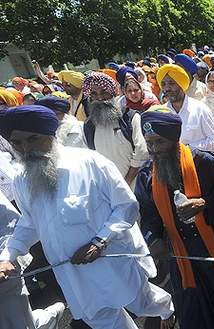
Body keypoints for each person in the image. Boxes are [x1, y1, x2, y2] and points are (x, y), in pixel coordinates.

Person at [0, 105, 176, 329]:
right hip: (72, 274)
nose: (25, 148)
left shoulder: (90, 163)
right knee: (103, 320)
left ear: (50, 134)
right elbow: (29, 223)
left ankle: (166, 309)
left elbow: (126, 206)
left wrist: (100, 241)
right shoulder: (22, 179)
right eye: (17, 143)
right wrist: (8, 256)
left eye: (32, 139)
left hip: (111, 261)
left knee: (142, 302)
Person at [135, 107, 214, 329]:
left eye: (159, 142)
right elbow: (148, 216)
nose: (153, 149)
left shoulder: (205, 163)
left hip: (213, 247)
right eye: (149, 143)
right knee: (194, 315)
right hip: (179, 254)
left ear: (174, 138)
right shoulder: (146, 175)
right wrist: (153, 239)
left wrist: (204, 205)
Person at [0, 190, 66, 329]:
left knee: (19, 325)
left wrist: (4, 260)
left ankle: (51, 316)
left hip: (4, 276)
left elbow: (10, 226)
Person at [81, 71, 149, 188]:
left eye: (104, 92)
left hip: (137, 185)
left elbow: (142, 152)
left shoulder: (130, 118)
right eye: (94, 94)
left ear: (113, 92)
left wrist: (126, 182)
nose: (100, 98)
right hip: (110, 188)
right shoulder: (89, 126)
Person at [157, 64, 214, 153]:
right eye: (163, 84)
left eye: (171, 83)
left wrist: (188, 149)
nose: (167, 88)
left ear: (181, 84)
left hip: (199, 163)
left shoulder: (200, 108)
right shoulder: (161, 113)